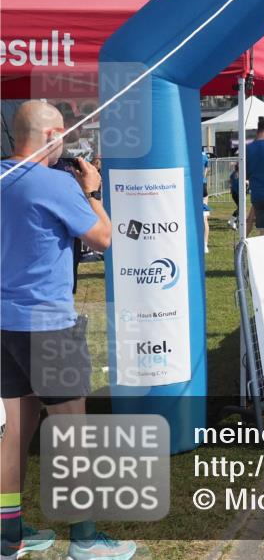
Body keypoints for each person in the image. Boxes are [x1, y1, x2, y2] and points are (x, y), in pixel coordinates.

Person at [1, 101, 136, 560]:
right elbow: (103, 237)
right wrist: (93, 191)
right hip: (48, 323)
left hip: (6, 324)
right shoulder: (54, 183)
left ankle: (8, 535)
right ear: (52, 135)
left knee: (16, 434)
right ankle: (85, 538)